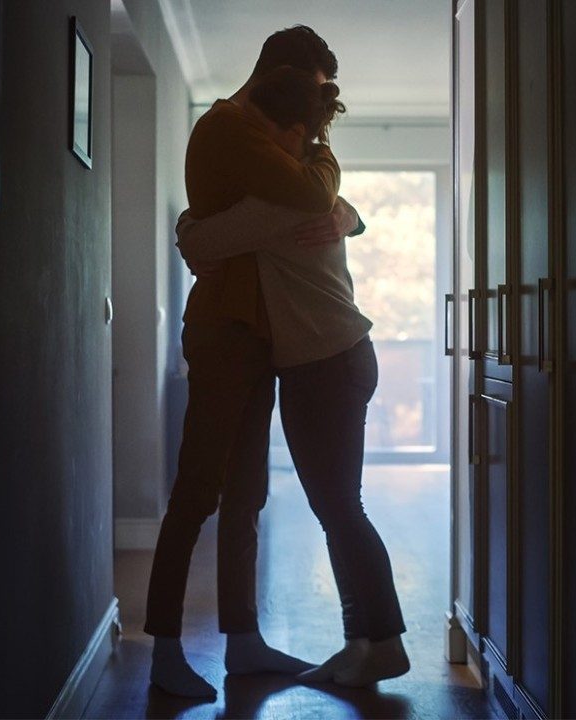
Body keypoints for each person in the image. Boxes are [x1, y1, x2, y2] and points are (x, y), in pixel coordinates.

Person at [143, 26, 365, 699]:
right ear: (284, 77)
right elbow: (301, 199)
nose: (315, 119)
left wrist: (344, 212)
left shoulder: (271, 134)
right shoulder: (230, 128)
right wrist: (330, 188)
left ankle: (243, 643)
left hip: (261, 331)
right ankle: (164, 650)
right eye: (313, 98)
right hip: (225, 331)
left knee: (248, 493)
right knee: (198, 489)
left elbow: (308, 205)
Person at [175, 66, 410, 687]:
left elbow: (198, 242)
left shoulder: (281, 201)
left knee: (340, 506)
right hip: (331, 360)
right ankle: (366, 642)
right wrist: (347, 211)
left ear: (293, 133)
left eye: (268, 137)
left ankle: (380, 642)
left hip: (328, 363)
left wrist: (187, 225)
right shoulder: (311, 192)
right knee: (338, 505)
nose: (259, 154)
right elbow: (335, 205)